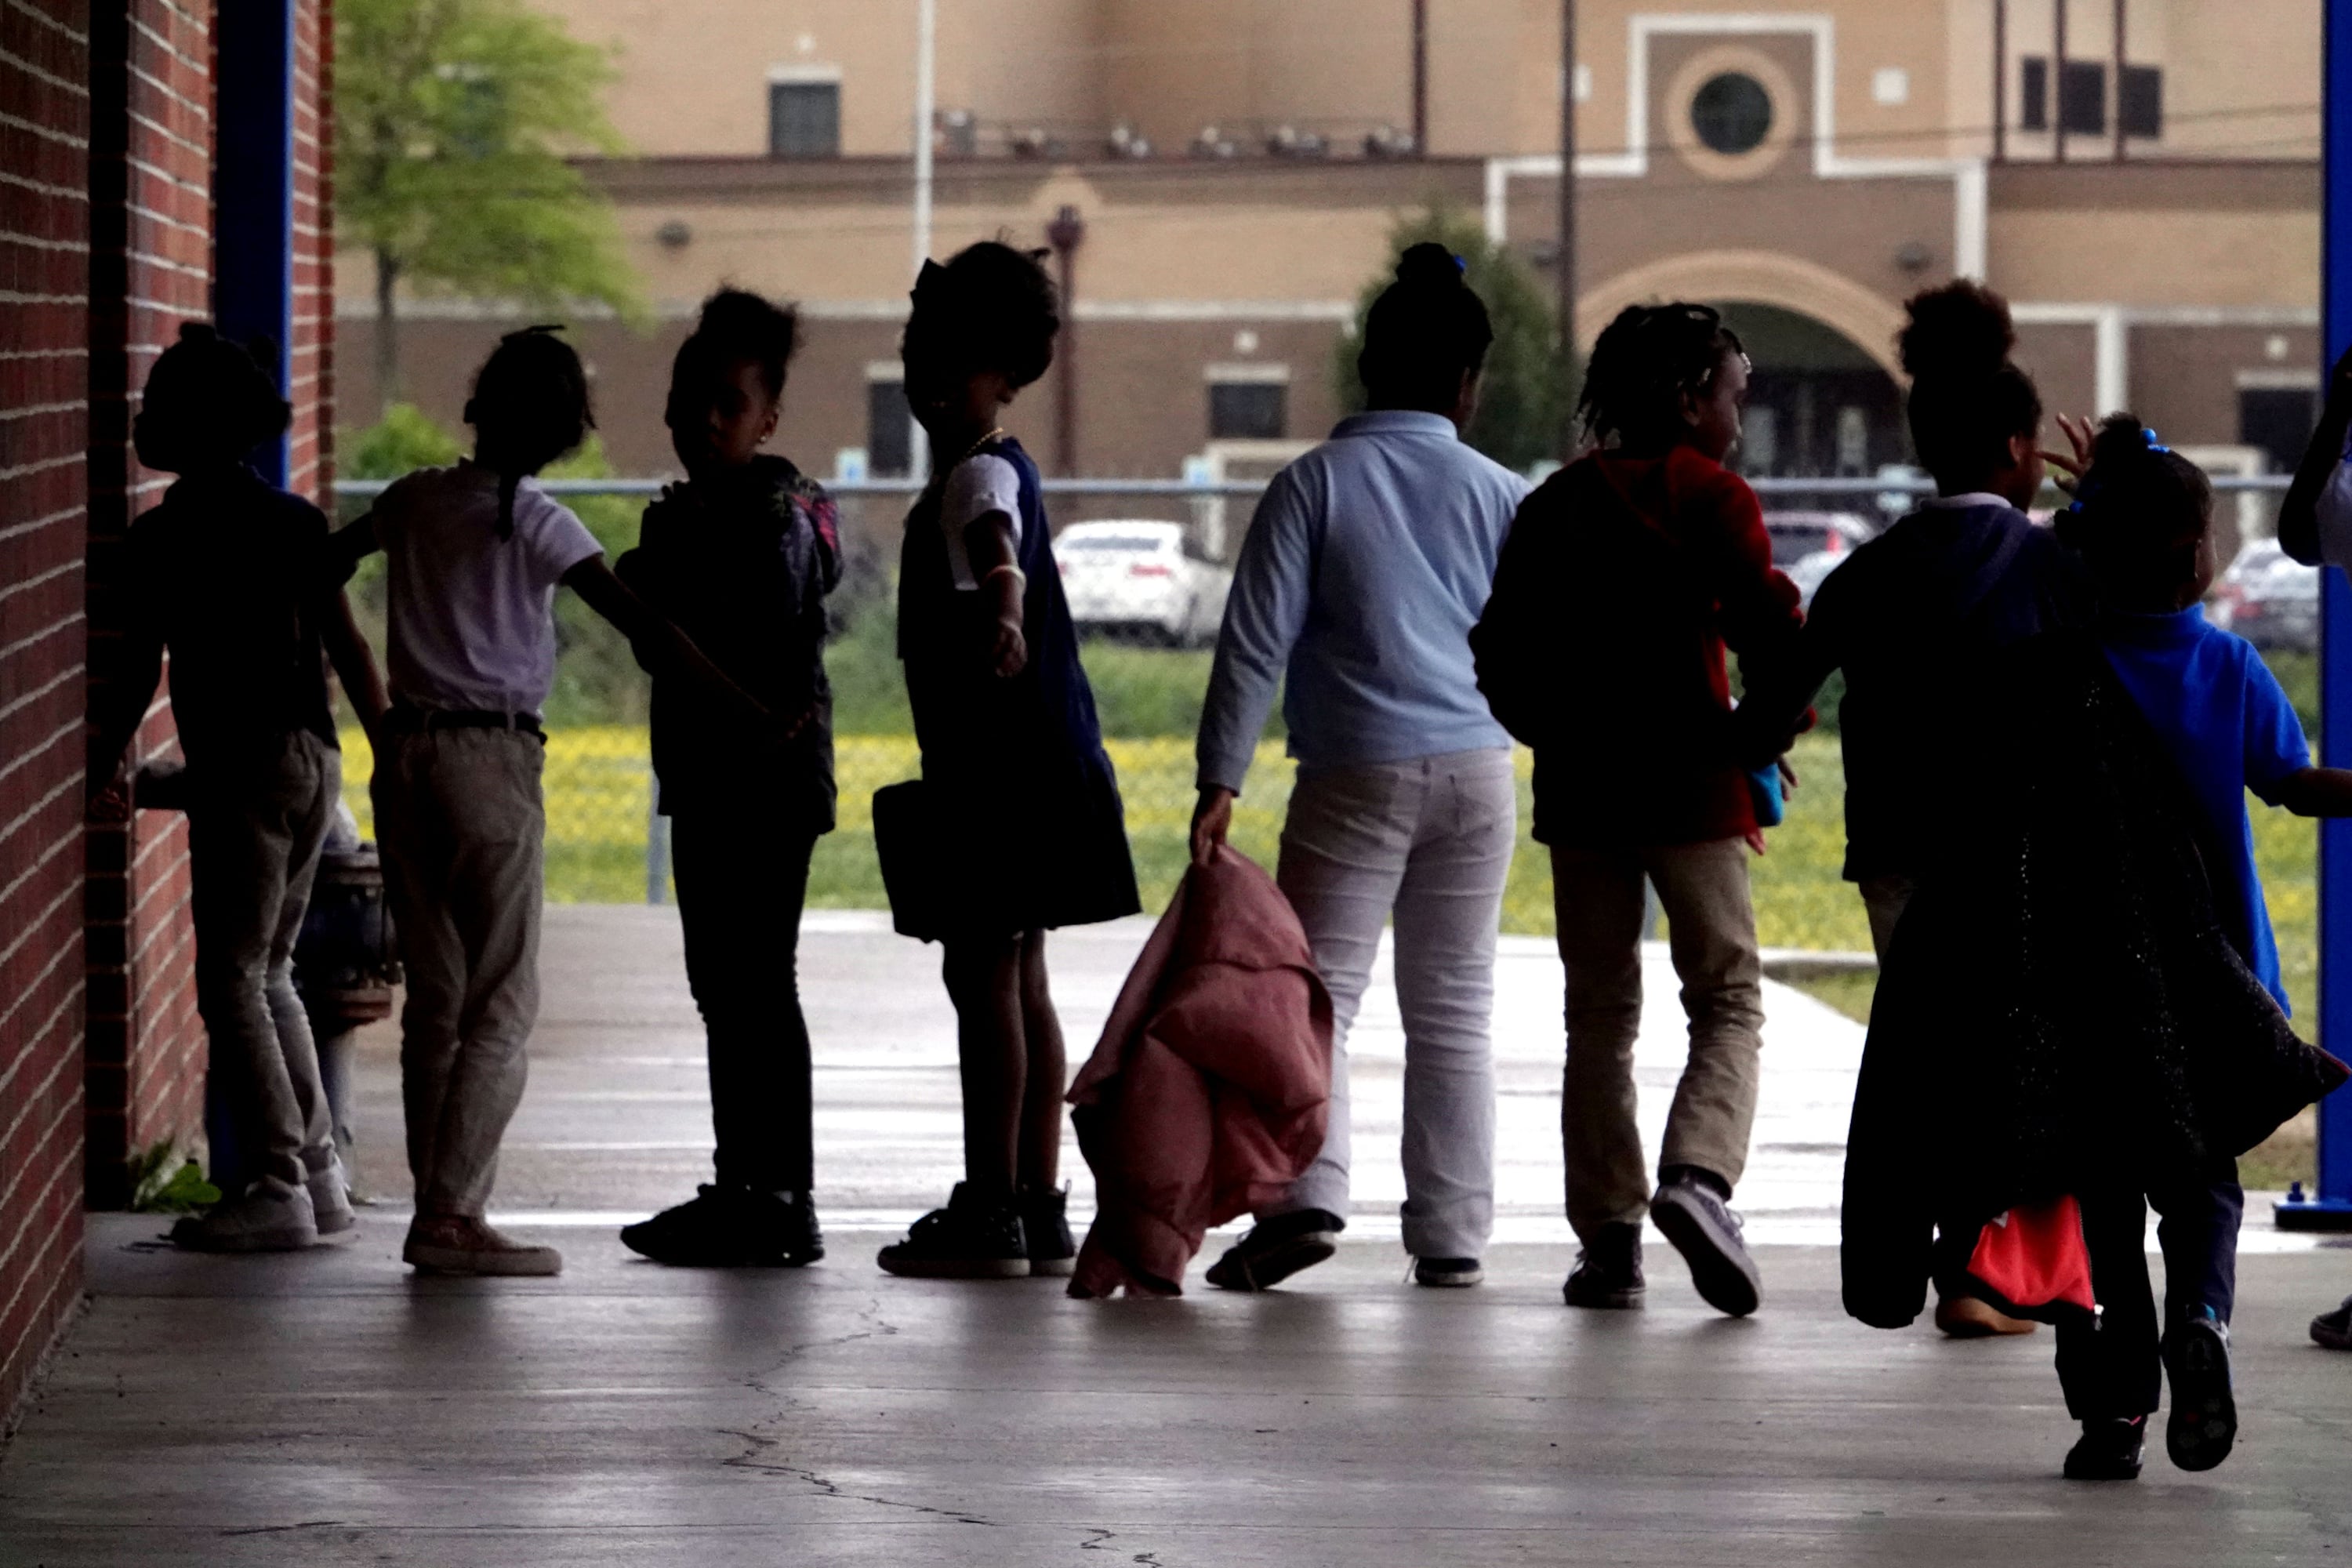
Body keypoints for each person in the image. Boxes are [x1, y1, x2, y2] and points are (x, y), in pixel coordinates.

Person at [328, 326, 757, 1277]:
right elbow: (651, 631)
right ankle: (451, 1212)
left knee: (437, 996)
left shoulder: (409, 501)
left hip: (408, 758)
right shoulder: (540, 523)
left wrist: (377, 708)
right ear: (566, 431)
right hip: (494, 758)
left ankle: (434, 1207)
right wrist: (752, 711)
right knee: (503, 997)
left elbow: (321, 569)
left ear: (478, 406)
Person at [1735, 281, 2092, 1337]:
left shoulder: (1870, 572)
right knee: (2013, 1053)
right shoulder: (2056, 563)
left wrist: (1739, 752)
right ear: (2023, 448)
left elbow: (1771, 710)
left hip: (1899, 854)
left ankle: (1955, 1260)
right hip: (2023, 853)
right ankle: (1982, 1272)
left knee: (1929, 1052)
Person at [1190, 242, 1526, 1292]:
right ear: (1469, 385)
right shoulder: (1506, 493)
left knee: (1321, 995)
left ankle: (1306, 1195)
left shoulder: (1314, 485)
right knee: (1455, 1005)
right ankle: (1453, 1231)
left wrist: (1221, 778)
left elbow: (1253, 642)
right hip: (1479, 768)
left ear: (1363, 370)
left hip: (1355, 773)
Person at [1471, 303, 1800, 1318]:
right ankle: (1698, 1179)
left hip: (1584, 797)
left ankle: (1609, 1242)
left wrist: (1550, 732)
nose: (1739, 419)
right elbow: (1775, 635)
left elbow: (1498, 651)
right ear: (1690, 398)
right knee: (1728, 997)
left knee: (1599, 1017)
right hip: (1696, 790)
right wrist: (1761, 733)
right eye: (1733, 396)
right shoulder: (1715, 499)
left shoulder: (1554, 506)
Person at [2043, 414, 2352, 1476]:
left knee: (2109, 1192)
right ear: (2194, 556)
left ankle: (2119, 1409)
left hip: (2092, 979)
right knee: (2204, 1183)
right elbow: (2296, 787)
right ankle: (2204, 1322)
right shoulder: (2226, 665)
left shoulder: (2064, 669)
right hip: (2215, 979)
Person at [89, 322, 388, 1252]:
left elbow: (138, 667)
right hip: (313, 760)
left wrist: (101, 758)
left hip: (247, 765)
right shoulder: (296, 521)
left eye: (154, 405)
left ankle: (274, 1182)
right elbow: (345, 644)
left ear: (189, 425)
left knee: (231, 980)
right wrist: (391, 753)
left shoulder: (163, 537)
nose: (141, 418)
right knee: (272, 973)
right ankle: (319, 1176)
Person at [875, 242, 1140, 1280]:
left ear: (999, 375)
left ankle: (990, 1203)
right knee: (1018, 972)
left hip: (997, 771)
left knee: (981, 975)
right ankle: (1035, 1201)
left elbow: (996, 546)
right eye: (915, 354)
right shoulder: (991, 460)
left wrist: (1005, 611)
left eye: (946, 361)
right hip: (1038, 761)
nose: (923, 377)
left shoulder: (979, 468)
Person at [615, 289, 842, 1268]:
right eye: (689, 400)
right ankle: (748, 1183)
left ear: (768, 419)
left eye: (729, 404)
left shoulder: (770, 516)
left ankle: (776, 1195)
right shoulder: (731, 512)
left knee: (753, 982)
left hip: (761, 778)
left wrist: (659, 555)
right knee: (730, 986)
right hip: (720, 778)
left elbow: (707, 627)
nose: (703, 421)